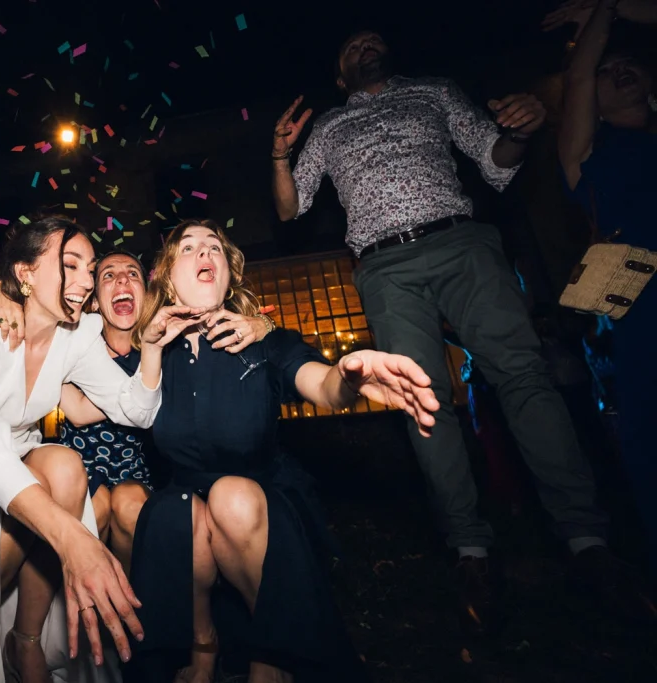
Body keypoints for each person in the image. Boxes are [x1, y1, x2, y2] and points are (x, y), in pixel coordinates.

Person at [271, 29, 648, 631]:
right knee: (424, 400)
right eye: (352, 46)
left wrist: (521, 132)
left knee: (525, 375)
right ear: (340, 76)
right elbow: (290, 210)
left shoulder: (434, 91)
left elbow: (495, 159)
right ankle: (470, 551)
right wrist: (281, 157)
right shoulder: (331, 127)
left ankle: (587, 542)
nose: (368, 45)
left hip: (461, 242)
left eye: (374, 38)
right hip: (385, 263)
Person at [119, 219, 438, 683]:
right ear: (168, 277)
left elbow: (321, 384)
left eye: (215, 248)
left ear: (228, 273)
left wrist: (348, 377)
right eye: (188, 248)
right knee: (174, 510)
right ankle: (201, 643)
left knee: (230, 495)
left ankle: (278, 654)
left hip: (262, 504)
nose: (205, 253)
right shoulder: (151, 355)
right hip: (184, 513)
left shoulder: (265, 341)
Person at [0, 217, 178, 683]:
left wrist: (148, 349)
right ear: (25, 274)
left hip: (19, 449)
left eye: (91, 268)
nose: (87, 281)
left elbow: (137, 412)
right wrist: (71, 539)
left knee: (65, 465)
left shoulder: (80, 335)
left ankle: (24, 641)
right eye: (72, 265)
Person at [51, 250, 273, 575]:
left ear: (148, 297)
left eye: (133, 274)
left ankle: (132, 597)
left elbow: (219, 323)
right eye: (108, 275)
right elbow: (71, 403)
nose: (122, 279)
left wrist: (263, 323)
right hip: (81, 466)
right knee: (92, 510)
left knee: (130, 507)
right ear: (95, 300)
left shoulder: (168, 352)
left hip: (140, 471)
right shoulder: (77, 347)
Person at [544, 0, 657, 576]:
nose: (617, 74)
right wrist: (605, 14)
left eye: (630, 66)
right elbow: (580, 75)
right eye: (608, 72)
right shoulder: (589, 157)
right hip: (646, 312)